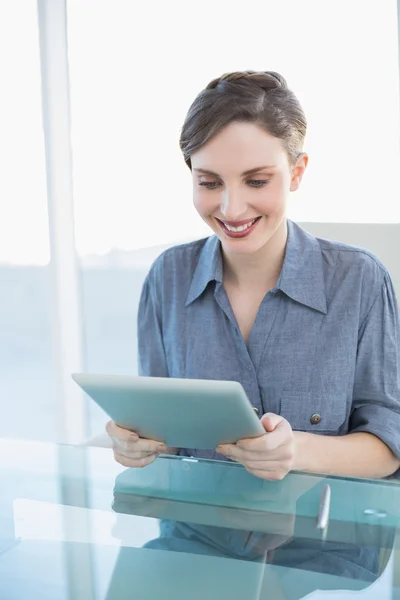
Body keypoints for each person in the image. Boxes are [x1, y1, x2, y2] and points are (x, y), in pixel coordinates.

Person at [106, 70, 400, 480]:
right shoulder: (167, 278)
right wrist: (136, 442)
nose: (232, 208)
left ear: (296, 173)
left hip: (319, 538)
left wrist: (295, 450)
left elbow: (389, 444)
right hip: (195, 534)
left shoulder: (359, 280)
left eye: (257, 181)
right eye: (209, 182)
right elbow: (164, 429)